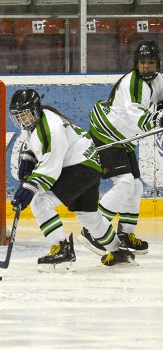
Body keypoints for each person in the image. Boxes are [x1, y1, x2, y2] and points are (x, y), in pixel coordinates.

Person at [9, 89, 137, 270]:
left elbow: (50, 169)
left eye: (26, 114)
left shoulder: (51, 129)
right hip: (88, 167)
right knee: (88, 216)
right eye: (19, 115)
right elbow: (34, 143)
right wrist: (29, 157)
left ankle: (62, 248)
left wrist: (29, 189)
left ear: (36, 110)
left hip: (80, 168)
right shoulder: (34, 122)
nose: (23, 119)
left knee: (40, 201)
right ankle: (118, 251)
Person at [79, 40, 163, 256]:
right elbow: (138, 117)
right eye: (142, 63)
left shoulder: (158, 80)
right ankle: (93, 230)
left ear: (157, 64)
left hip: (123, 137)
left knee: (136, 188)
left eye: (150, 62)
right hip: (107, 134)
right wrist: (158, 120)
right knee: (125, 184)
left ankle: (125, 235)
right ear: (136, 64)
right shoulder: (134, 83)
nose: (146, 67)